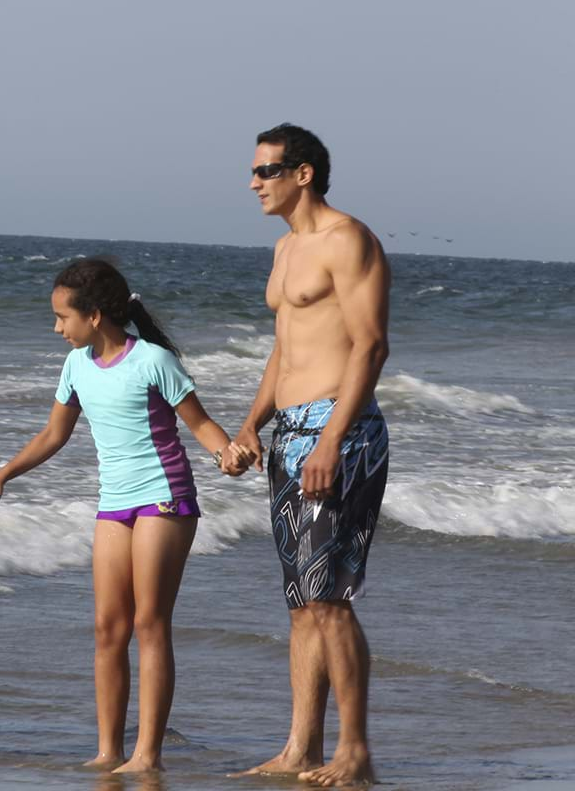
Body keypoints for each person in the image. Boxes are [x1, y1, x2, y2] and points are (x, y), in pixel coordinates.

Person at [0, 259, 255, 772]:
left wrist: (226, 456)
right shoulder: (76, 366)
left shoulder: (153, 361)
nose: (57, 327)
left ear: (95, 315)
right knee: (108, 628)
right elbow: (52, 436)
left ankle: (147, 755)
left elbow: (201, 423)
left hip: (164, 497)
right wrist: (3, 475)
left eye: (63, 317)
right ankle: (108, 752)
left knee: (150, 622)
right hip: (114, 502)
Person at [227, 123, 390, 788]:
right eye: (254, 170)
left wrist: (330, 440)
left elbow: (370, 345)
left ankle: (355, 752)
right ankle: (301, 746)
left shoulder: (347, 240)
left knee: (330, 600)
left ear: (303, 174)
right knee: (301, 603)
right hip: (288, 434)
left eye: (265, 171)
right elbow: (285, 352)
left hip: (338, 432)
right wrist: (248, 428)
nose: (253, 182)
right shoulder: (286, 248)